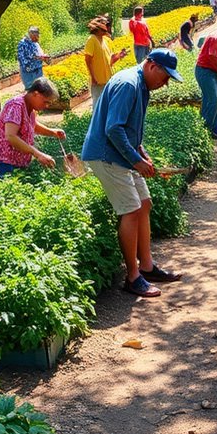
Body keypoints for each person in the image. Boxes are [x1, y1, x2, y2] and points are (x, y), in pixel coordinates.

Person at [81, 48, 184, 298]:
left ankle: (146, 267)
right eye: (165, 76)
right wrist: (136, 161)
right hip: (106, 155)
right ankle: (132, 277)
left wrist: (142, 153)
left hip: (122, 154)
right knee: (131, 210)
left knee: (144, 204)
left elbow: (130, 129)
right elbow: (114, 129)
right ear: (151, 65)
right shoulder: (128, 84)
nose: (166, 83)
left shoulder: (142, 86)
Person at [0, 78, 66, 177]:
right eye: (45, 102)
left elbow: (32, 126)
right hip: (5, 163)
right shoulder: (16, 105)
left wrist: (52, 132)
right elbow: (10, 136)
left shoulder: (30, 108)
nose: (46, 106)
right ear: (36, 94)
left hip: (20, 162)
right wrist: (38, 154)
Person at [84, 15, 128, 110]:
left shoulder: (106, 40)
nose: (107, 28)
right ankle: (97, 124)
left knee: (107, 104)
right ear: (98, 28)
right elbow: (87, 60)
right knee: (98, 105)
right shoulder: (92, 40)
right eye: (104, 26)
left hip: (108, 78)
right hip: (97, 80)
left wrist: (120, 55)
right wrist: (93, 77)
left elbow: (110, 60)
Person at [17, 26, 49, 90]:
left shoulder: (35, 43)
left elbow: (39, 54)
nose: (38, 37)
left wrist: (44, 57)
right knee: (31, 91)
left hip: (38, 71)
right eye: (37, 36)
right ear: (31, 34)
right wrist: (37, 58)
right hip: (29, 74)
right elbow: (22, 60)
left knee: (41, 89)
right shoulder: (22, 43)